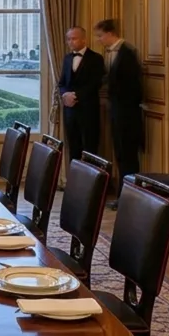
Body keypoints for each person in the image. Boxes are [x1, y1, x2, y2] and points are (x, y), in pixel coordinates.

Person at [95, 19, 144, 207]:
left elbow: (133, 86)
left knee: (128, 157)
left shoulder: (127, 53)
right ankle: (124, 196)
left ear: (110, 33)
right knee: (121, 155)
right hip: (117, 112)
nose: (99, 40)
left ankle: (129, 198)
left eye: (100, 36)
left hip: (127, 115)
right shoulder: (111, 54)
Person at [57, 26, 105, 162]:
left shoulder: (96, 59)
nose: (70, 42)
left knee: (90, 148)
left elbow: (95, 83)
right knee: (73, 147)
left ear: (84, 40)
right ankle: (74, 181)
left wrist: (75, 96)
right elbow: (61, 83)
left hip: (88, 110)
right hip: (70, 111)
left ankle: (90, 181)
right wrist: (65, 95)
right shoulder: (67, 58)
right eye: (68, 39)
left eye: (74, 38)